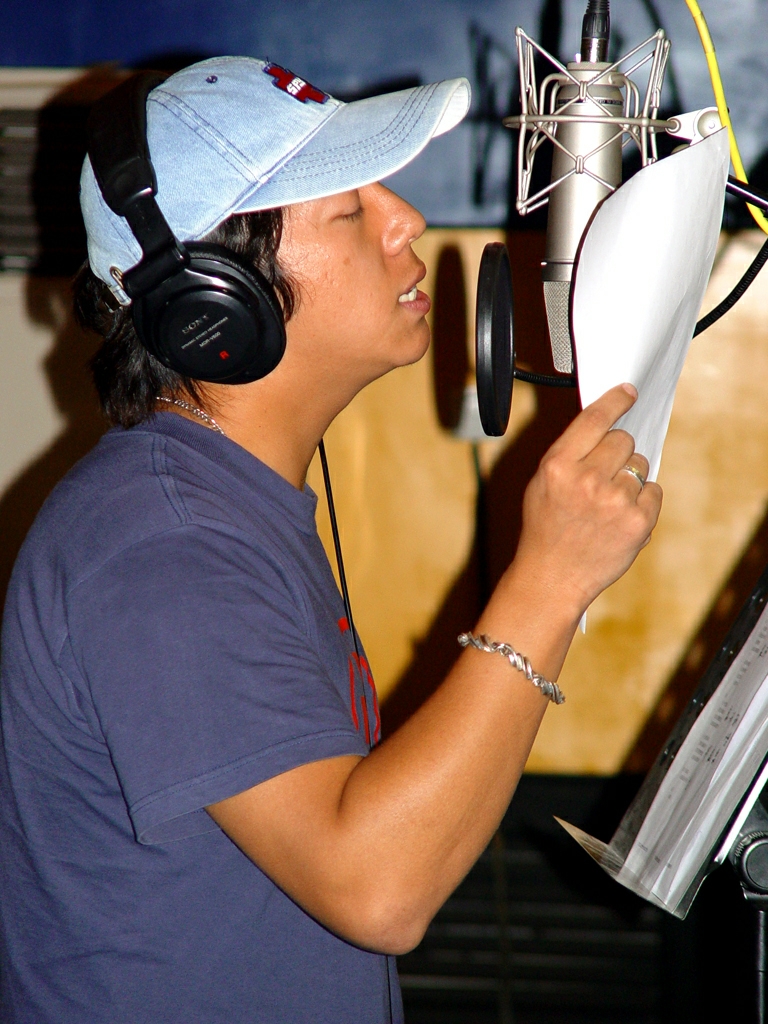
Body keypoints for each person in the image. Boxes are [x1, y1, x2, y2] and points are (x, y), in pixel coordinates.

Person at [0, 56, 661, 1024]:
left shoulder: (221, 505)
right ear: (216, 302)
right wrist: (550, 582)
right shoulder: (162, 548)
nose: (407, 221)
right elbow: (378, 891)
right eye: (350, 209)